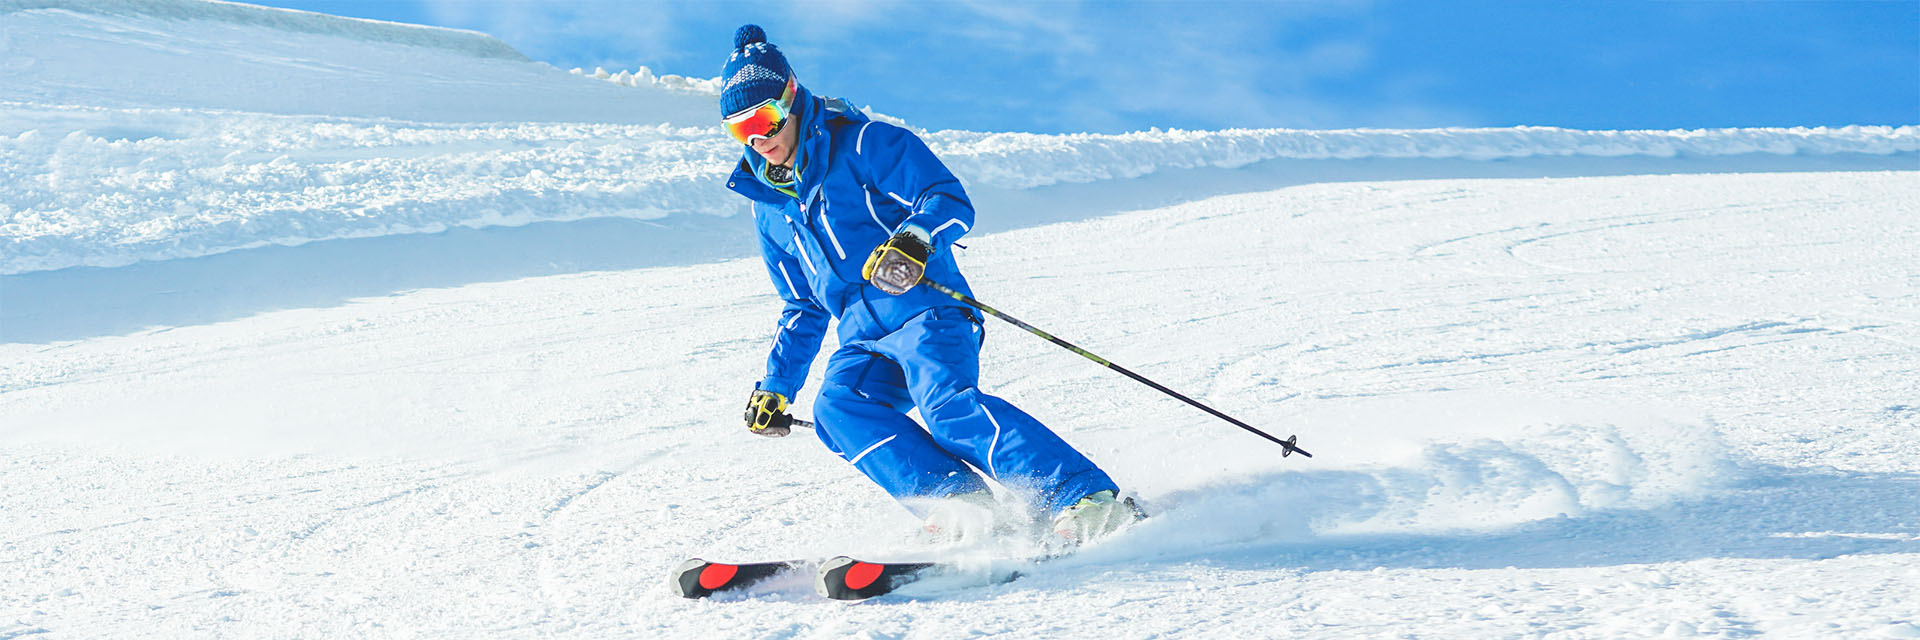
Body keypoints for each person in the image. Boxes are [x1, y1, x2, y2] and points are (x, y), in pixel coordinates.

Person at [718, 24, 1137, 546]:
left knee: (947, 408)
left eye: (763, 120)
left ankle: (1081, 497)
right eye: (741, 131)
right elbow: (802, 306)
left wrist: (914, 241)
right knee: (839, 409)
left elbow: (947, 199)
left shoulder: (866, 143)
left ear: (792, 97)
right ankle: (962, 506)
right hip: (861, 337)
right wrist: (777, 387)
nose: (759, 140)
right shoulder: (770, 208)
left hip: (926, 311)